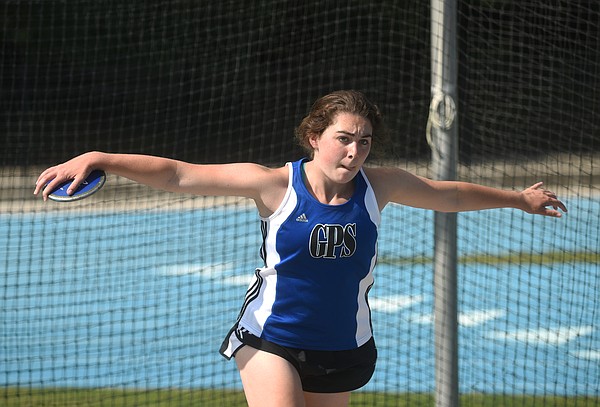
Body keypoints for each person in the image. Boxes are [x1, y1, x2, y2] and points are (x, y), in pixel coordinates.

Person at [34, 90, 567, 407]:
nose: (354, 150)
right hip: (272, 340)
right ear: (315, 137)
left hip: (344, 347)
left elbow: (446, 194)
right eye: (343, 138)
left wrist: (517, 199)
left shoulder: (380, 186)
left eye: (364, 141)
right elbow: (180, 174)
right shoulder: (273, 185)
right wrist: (100, 156)